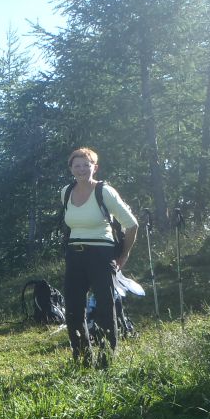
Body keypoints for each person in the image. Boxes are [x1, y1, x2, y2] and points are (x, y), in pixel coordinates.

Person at [61, 147, 138, 366]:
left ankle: (106, 360)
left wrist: (123, 255)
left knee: (105, 307)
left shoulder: (104, 192)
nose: (82, 169)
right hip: (74, 255)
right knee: (74, 309)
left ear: (95, 167)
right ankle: (83, 358)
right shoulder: (66, 192)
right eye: (77, 165)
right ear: (71, 169)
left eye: (87, 164)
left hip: (102, 255)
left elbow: (131, 224)